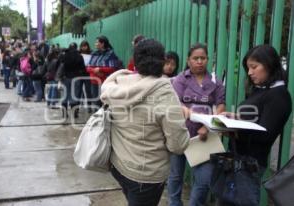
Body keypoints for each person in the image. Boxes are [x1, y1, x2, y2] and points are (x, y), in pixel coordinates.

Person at [100, 39, 190, 206]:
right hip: (146, 175)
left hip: (118, 165)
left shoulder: (120, 83)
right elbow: (178, 145)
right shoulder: (164, 92)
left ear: (135, 60)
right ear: (162, 61)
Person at [217, 45, 292, 206]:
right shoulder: (262, 90)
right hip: (237, 158)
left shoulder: (279, 95)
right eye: (248, 68)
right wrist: (235, 117)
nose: (250, 72)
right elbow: (255, 118)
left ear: (269, 65)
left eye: (254, 67)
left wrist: (234, 130)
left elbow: (265, 134)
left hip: (250, 163)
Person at [168, 43, 225, 206]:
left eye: (203, 58)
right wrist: (197, 117)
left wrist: (207, 126)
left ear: (207, 60)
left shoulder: (215, 81)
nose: (199, 61)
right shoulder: (180, 79)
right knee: (176, 175)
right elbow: (176, 104)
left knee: (204, 179)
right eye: (195, 58)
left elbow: (220, 106)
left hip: (204, 136)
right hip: (180, 132)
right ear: (188, 60)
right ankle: (174, 203)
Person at [87, 35, 121, 111]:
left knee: (103, 101)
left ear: (102, 44)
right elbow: (88, 68)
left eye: (97, 42)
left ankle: (104, 117)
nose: (95, 44)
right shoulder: (94, 54)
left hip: (104, 81)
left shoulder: (110, 54)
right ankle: (98, 118)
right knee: (95, 100)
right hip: (94, 81)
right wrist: (95, 71)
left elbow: (112, 68)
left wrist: (100, 69)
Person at [61, 43, 85, 118]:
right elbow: (83, 68)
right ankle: (74, 113)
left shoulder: (64, 55)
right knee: (74, 95)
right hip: (76, 78)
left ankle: (64, 113)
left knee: (65, 95)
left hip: (65, 78)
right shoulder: (79, 56)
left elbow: (60, 66)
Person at [78, 40, 92, 112]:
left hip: (88, 74)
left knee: (88, 90)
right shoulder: (78, 54)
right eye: (82, 46)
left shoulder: (91, 53)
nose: (84, 48)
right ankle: (77, 106)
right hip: (80, 74)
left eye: (85, 46)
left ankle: (89, 106)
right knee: (78, 90)